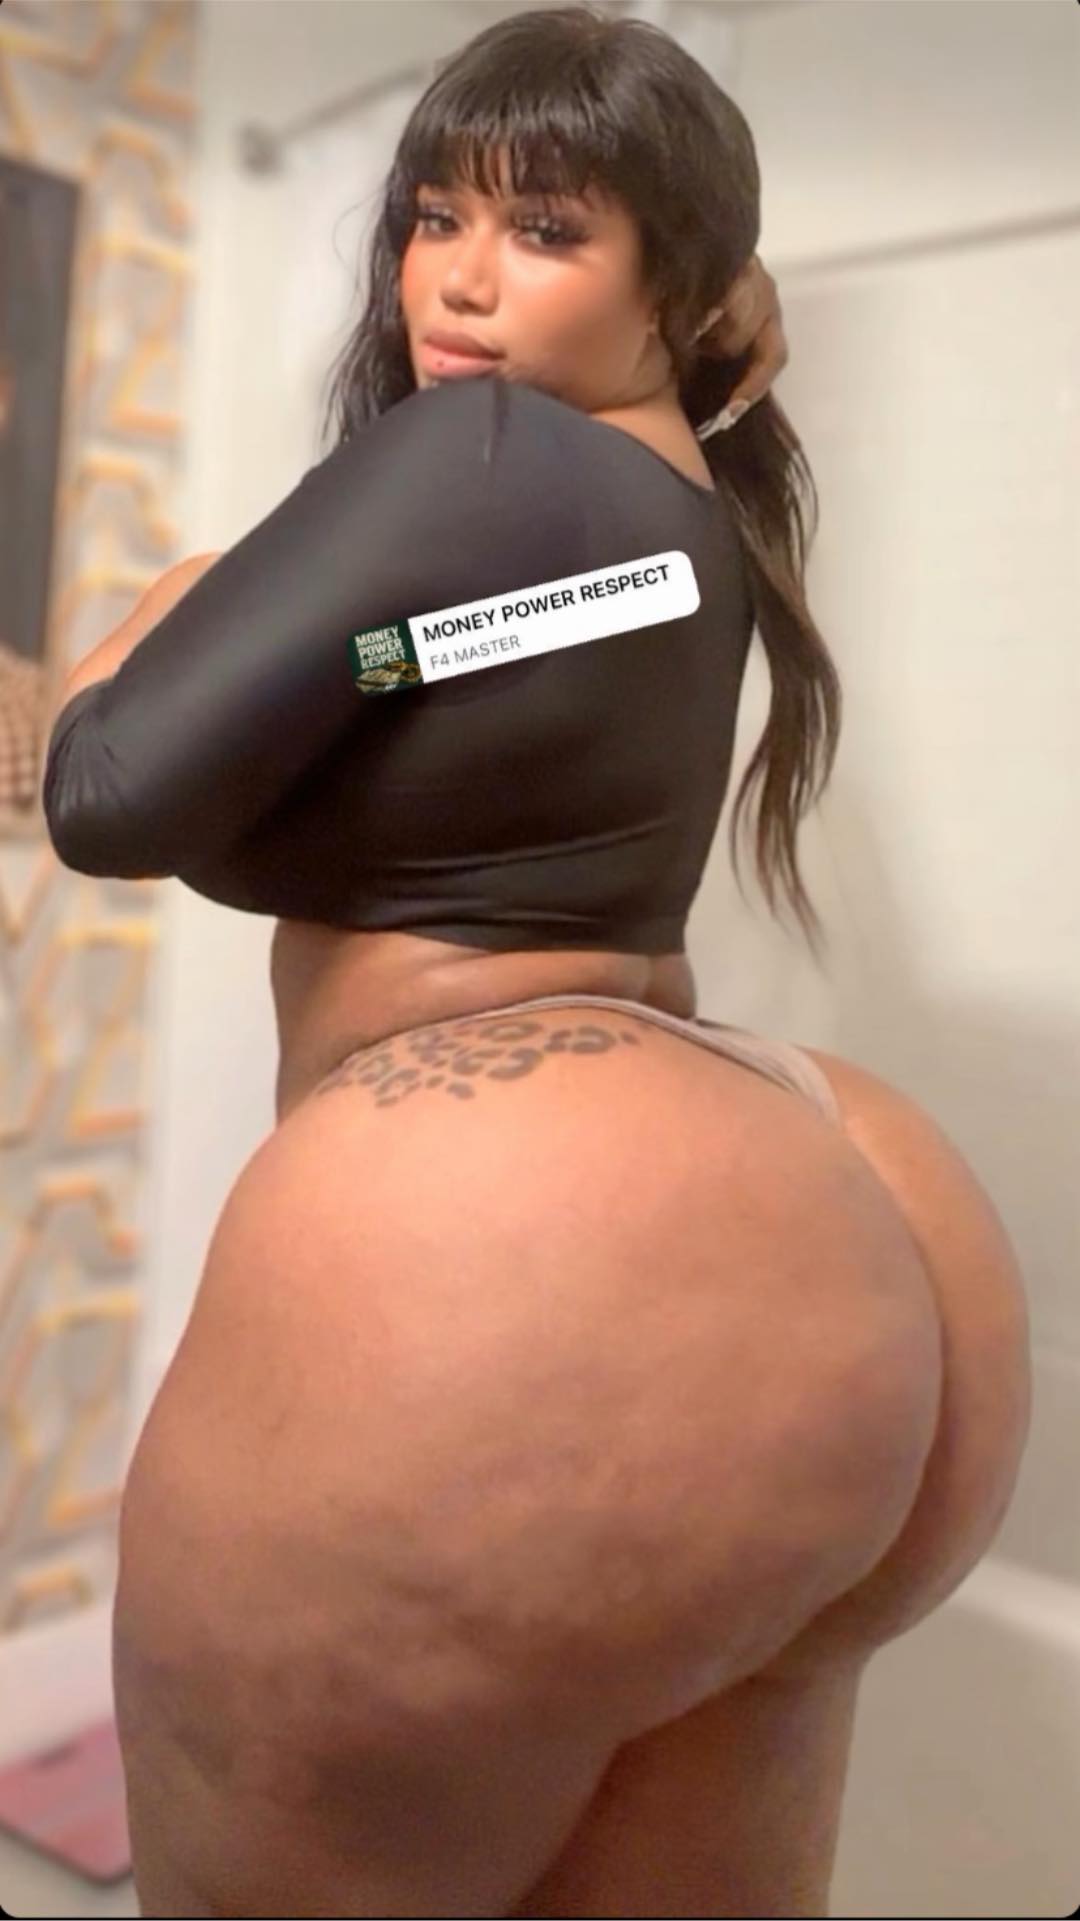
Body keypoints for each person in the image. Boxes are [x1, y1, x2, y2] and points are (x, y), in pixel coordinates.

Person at [44, 7, 1031, 1915]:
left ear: (685, 282)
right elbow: (410, 682)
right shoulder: (674, 534)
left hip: (501, 1244)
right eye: (434, 217)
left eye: (547, 230)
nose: (460, 279)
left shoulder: (479, 449)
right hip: (836, 1212)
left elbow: (108, 792)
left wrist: (169, 607)